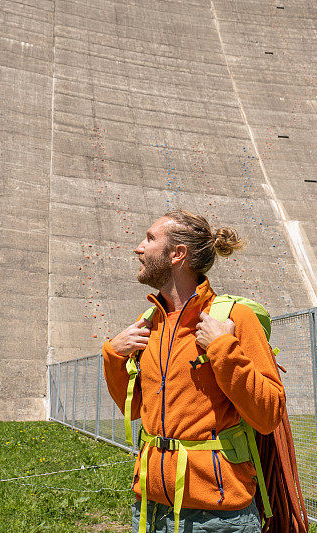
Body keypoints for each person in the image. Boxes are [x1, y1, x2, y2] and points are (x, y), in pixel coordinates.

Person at [102, 210, 285, 533]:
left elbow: (268, 414)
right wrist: (114, 356)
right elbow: (133, 409)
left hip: (218, 516)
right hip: (150, 507)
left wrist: (222, 348)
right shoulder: (150, 323)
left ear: (177, 254)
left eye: (149, 239)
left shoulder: (235, 318)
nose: (138, 248)